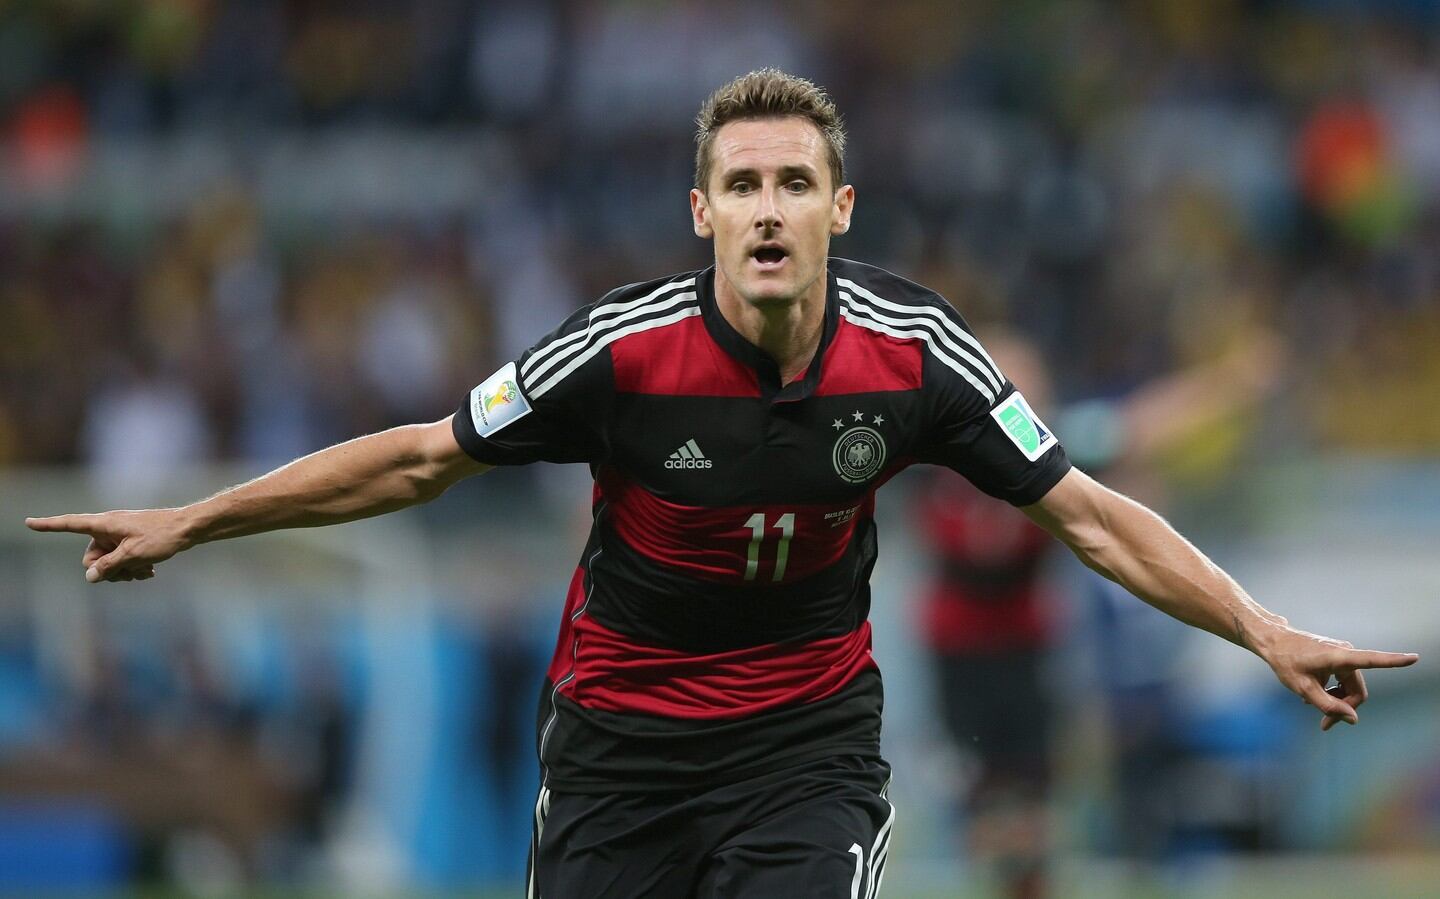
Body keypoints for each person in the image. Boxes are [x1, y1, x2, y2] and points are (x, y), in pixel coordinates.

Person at [26, 69, 1418, 898]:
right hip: (617, 751)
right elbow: (421, 456)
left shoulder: (918, 354)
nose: (767, 207)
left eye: (794, 183)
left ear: (839, 211)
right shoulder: (621, 354)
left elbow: (1092, 513)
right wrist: (199, 520)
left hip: (801, 748)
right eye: (741, 183)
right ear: (702, 212)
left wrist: (1259, 625)